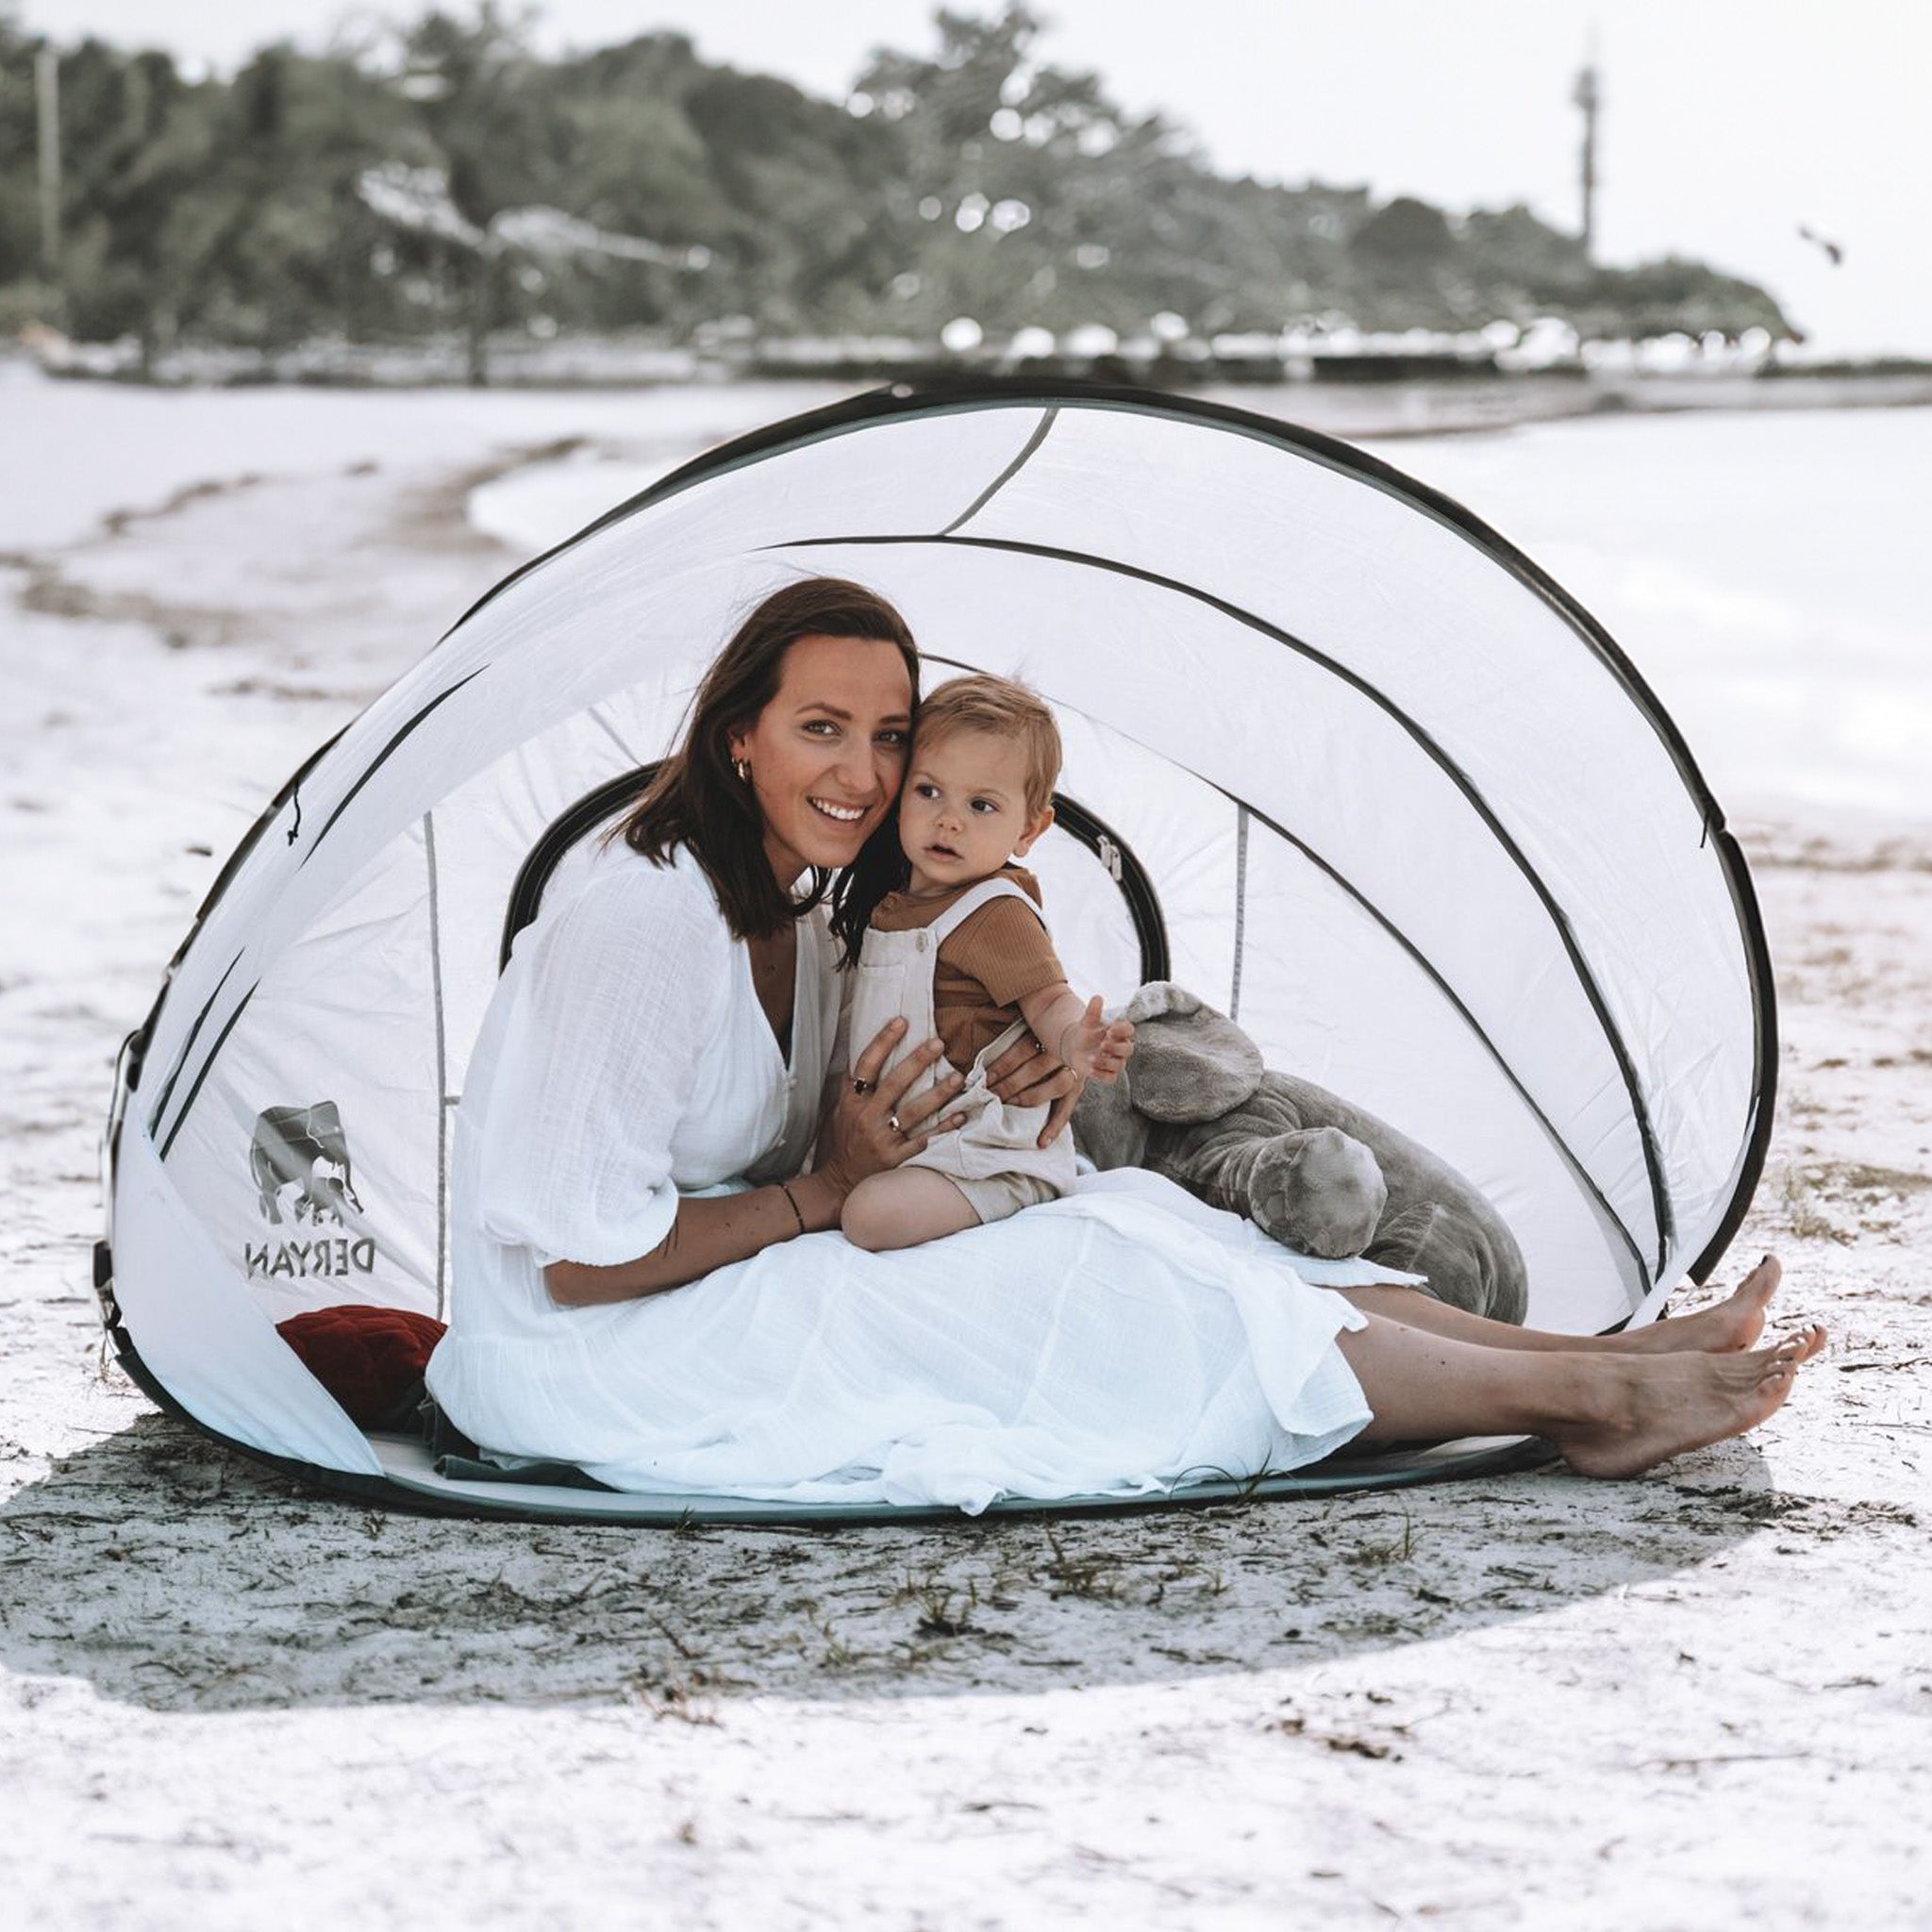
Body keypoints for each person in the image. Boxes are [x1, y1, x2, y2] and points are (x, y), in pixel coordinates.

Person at [424, 575, 1823, 1510]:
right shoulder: (642, 919)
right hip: (593, 1358)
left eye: (888, 737)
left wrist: (979, 1080)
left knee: (1150, 1215)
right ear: (739, 738)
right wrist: (826, 1190)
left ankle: (1597, 1359)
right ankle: (1583, 1400)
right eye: (819, 730)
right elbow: (578, 1259)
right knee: (1098, 1282)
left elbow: (804, 1124)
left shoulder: (805, 894)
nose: (862, 777)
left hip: (730, 1273)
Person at [831, 674, 1135, 1253]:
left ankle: (1020, 1194)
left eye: (981, 805)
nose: (950, 819)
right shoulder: (895, 906)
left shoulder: (993, 910)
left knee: (866, 1217)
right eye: (928, 792)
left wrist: (1075, 1042)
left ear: (1029, 829)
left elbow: (1048, 998)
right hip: (921, 1142)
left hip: (984, 1151)